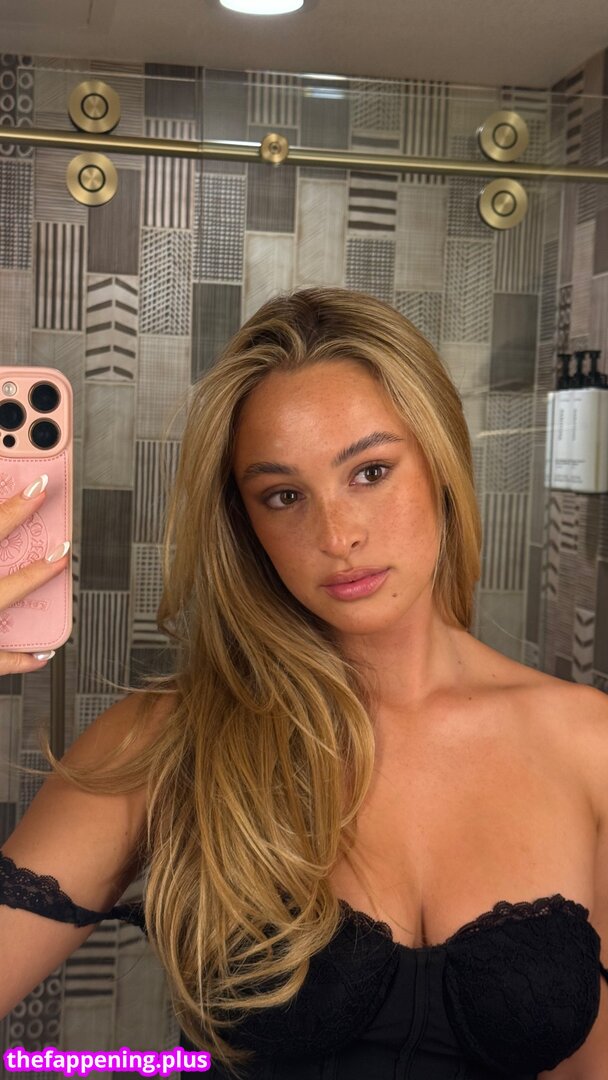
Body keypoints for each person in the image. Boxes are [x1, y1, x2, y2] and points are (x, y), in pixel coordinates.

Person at [0, 286, 606, 1080]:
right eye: (284, 496)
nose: (337, 534)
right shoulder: (171, 741)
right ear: (246, 523)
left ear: (441, 461)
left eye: (371, 471)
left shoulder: (588, 743)